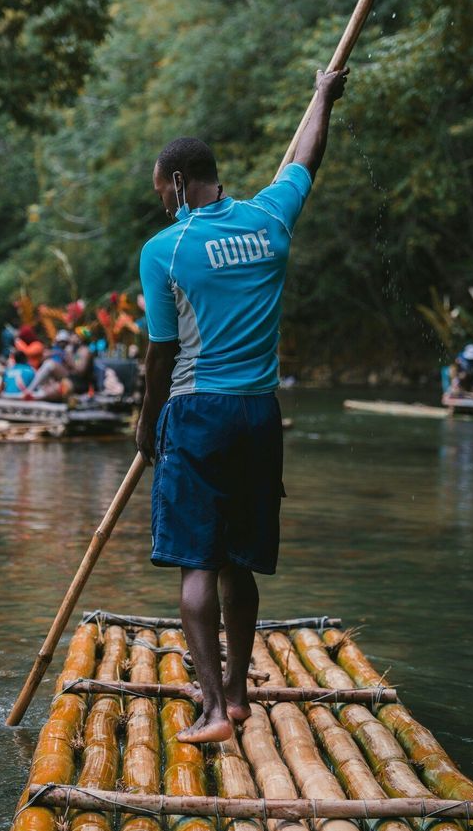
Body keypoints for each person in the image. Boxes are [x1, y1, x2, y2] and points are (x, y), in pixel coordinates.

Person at [136, 67, 348, 744]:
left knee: (197, 562)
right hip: (261, 415)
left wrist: (146, 427)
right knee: (240, 562)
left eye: (161, 191)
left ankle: (210, 710)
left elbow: (160, 357)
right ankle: (235, 696)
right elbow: (305, 156)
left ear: (176, 182)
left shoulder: (164, 250)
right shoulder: (270, 216)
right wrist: (323, 96)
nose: (163, 203)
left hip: (198, 412)